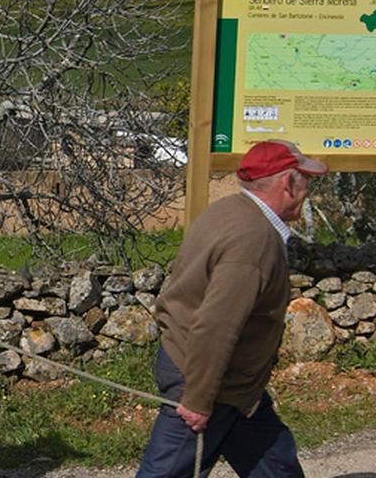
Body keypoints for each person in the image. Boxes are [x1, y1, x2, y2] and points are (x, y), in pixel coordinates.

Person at [135, 139, 326, 478]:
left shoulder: (230, 211)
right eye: (305, 179)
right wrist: (197, 398)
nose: (308, 187)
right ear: (286, 183)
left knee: (276, 467)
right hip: (206, 378)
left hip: (233, 385)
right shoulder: (253, 240)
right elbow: (216, 325)